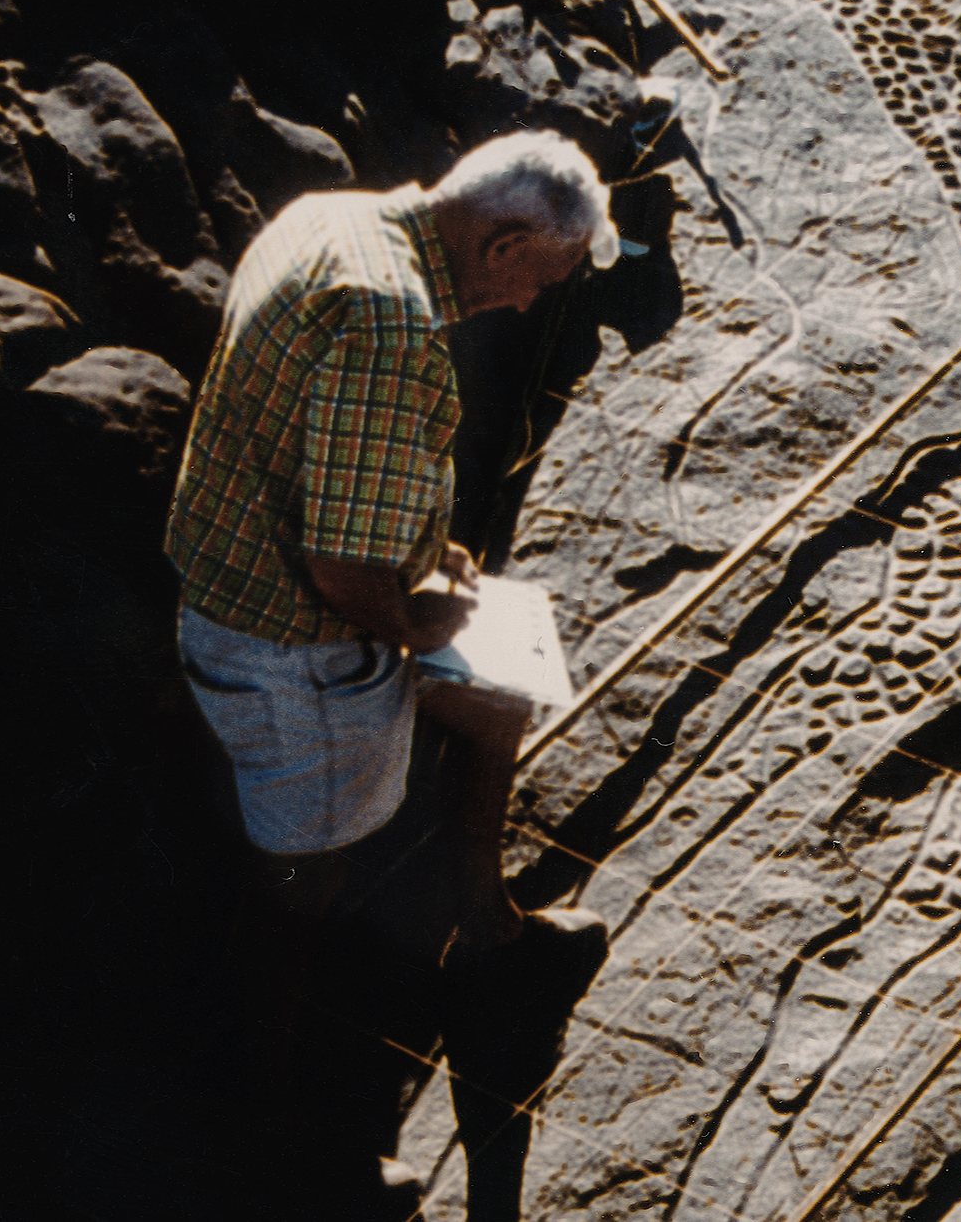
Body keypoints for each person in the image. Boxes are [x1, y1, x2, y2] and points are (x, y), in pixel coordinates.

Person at [164, 130, 616, 1195]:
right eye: (532, 283)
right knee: (299, 885)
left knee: (497, 699)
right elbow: (338, 570)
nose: (518, 309)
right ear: (501, 238)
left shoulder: (336, 215)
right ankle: (270, 1128)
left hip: (280, 585)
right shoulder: (389, 323)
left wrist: (432, 562)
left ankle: (489, 930)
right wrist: (422, 621)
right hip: (291, 643)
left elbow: (348, 476)